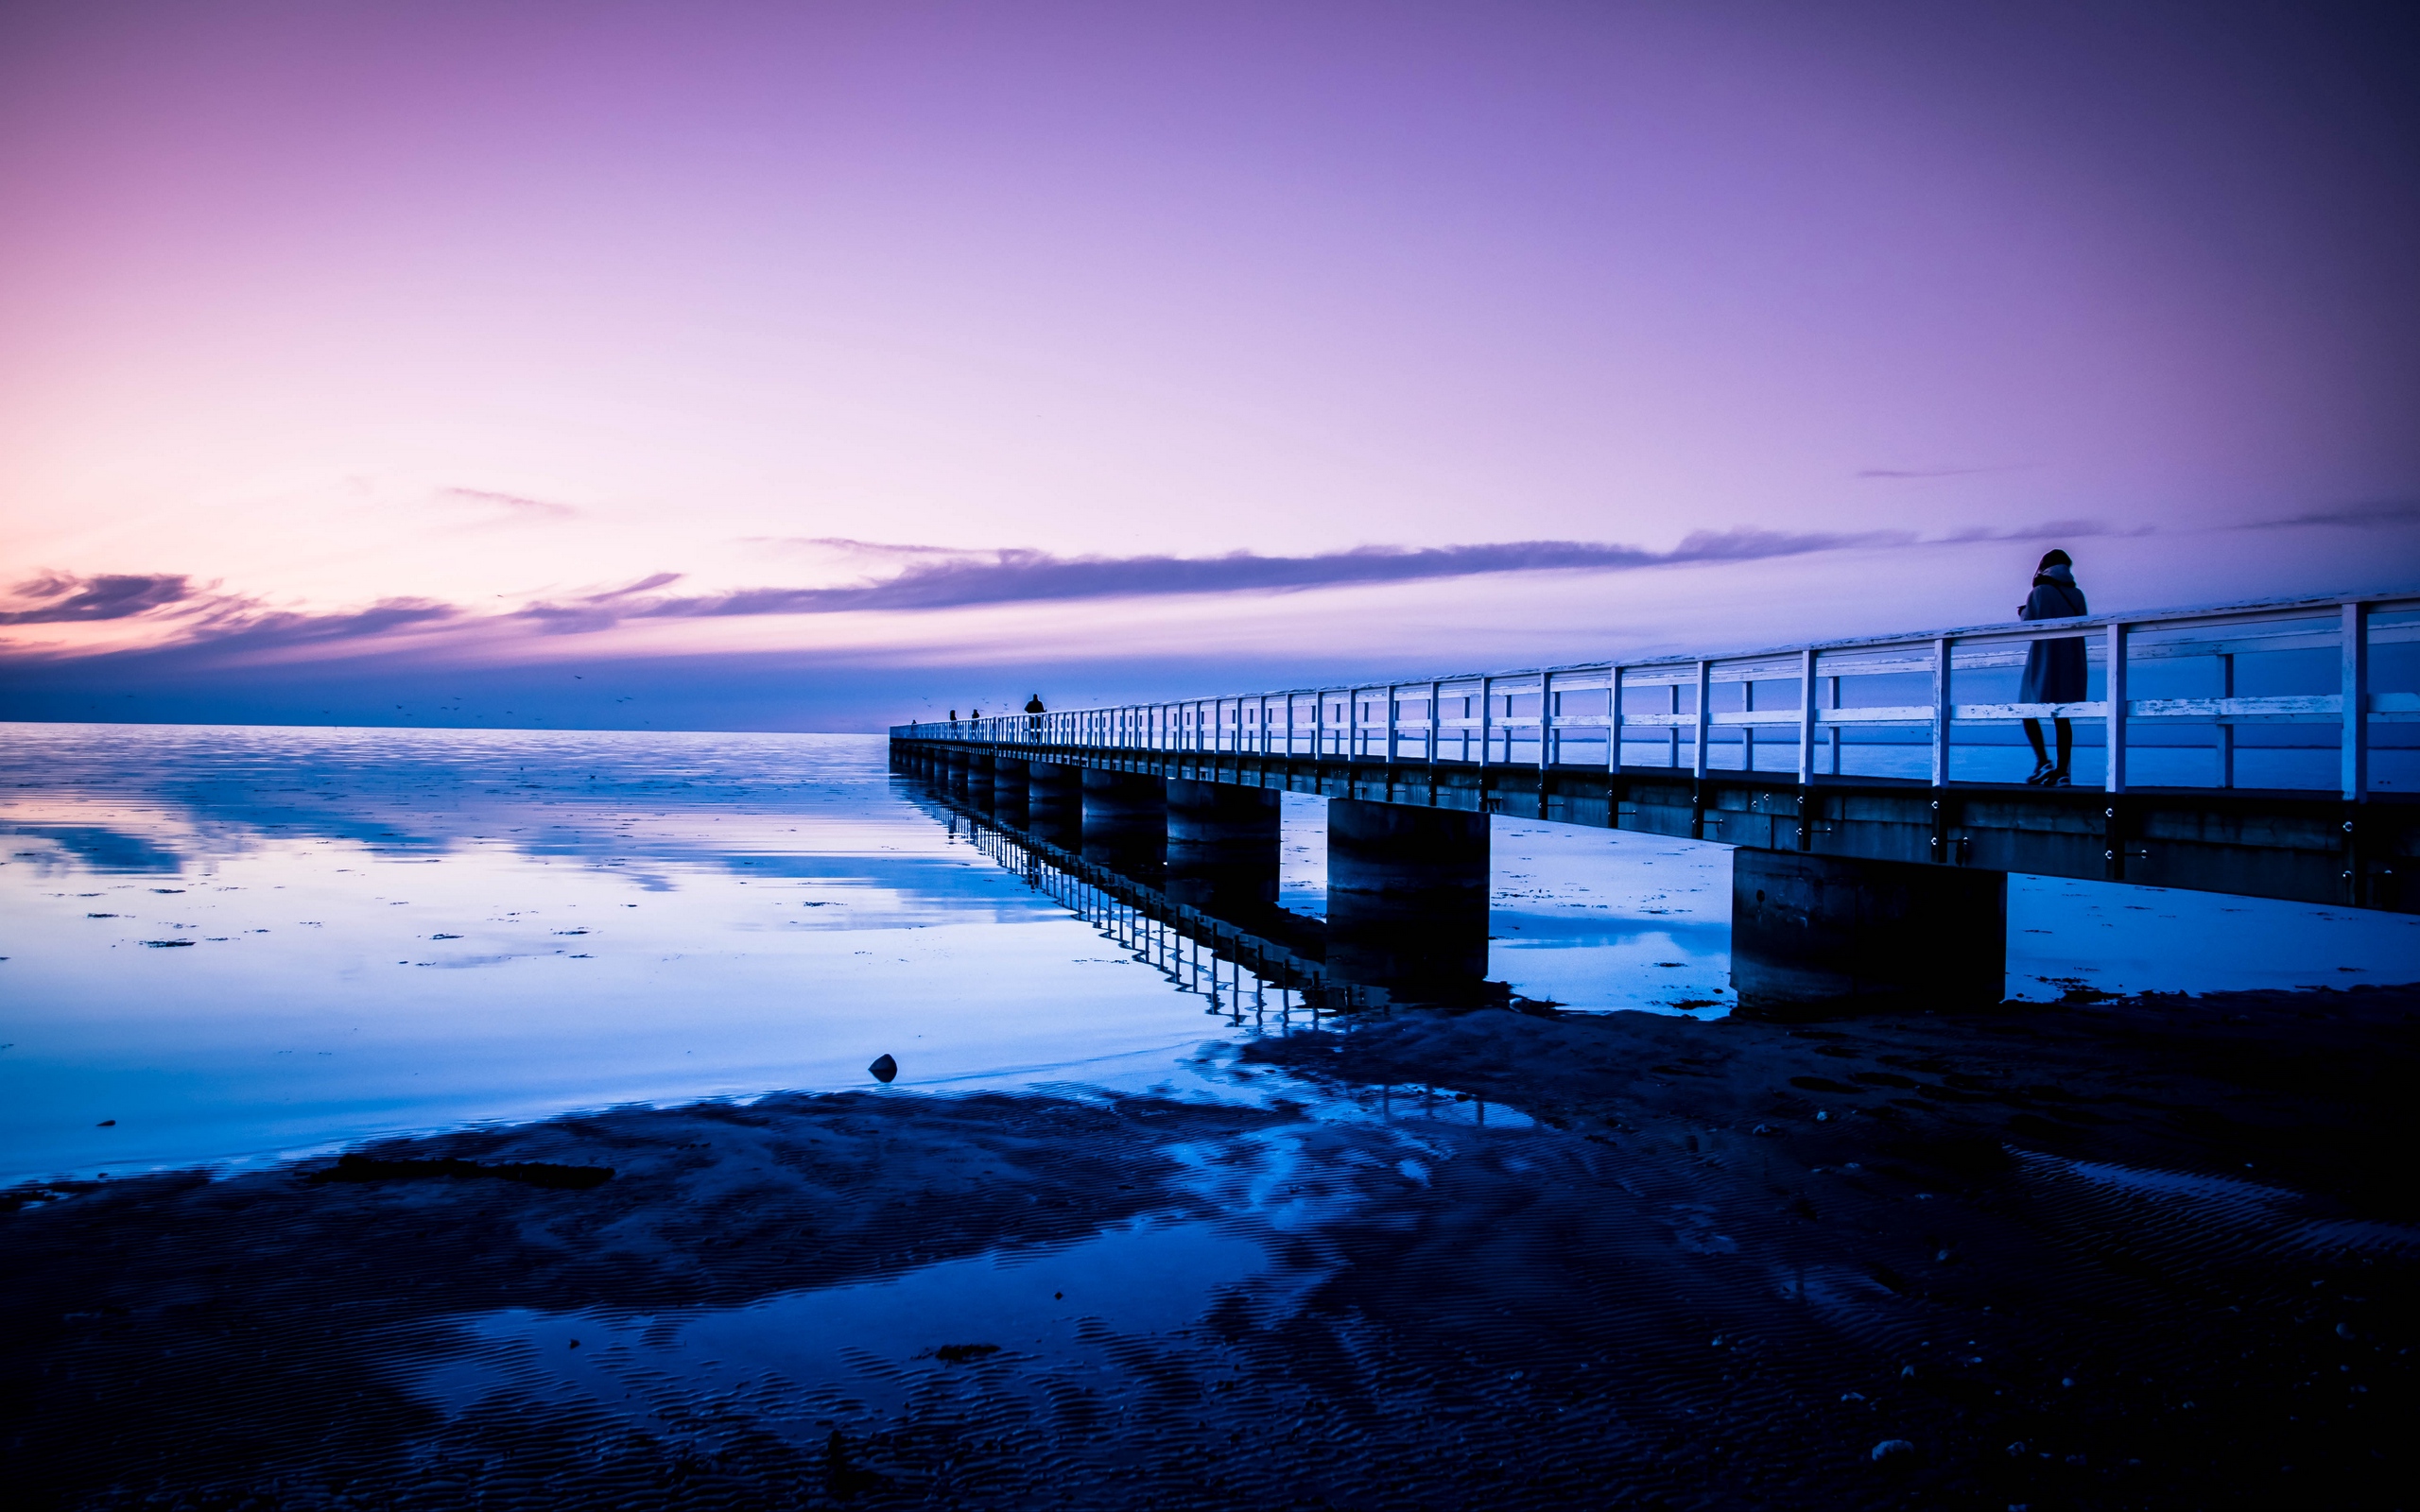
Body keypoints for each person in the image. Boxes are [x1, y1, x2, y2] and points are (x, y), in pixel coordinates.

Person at [2017, 549, 2088, 785]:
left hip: (2044, 657)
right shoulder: (2077, 594)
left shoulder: (2039, 591)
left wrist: (2023, 611)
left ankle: (2043, 762)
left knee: (2026, 709)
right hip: (2071, 659)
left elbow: (2030, 622)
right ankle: (2062, 771)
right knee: (2062, 716)